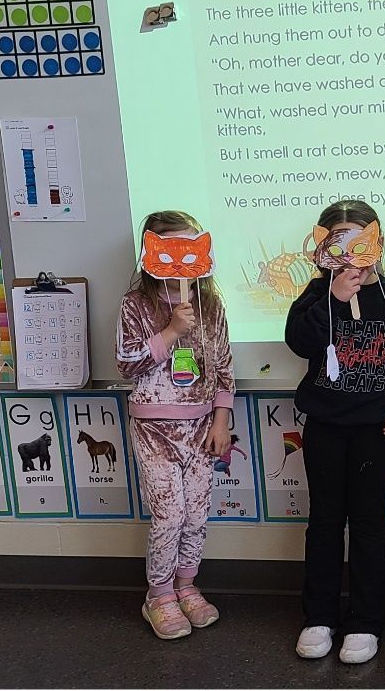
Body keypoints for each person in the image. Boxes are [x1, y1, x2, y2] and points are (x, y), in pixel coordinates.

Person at [285, 200, 385, 664]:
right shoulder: (314, 294)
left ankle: (365, 621)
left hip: (374, 430)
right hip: (325, 425)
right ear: (323, 246)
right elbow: (300, 342)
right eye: (336, 239)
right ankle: (319, 615)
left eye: (357, 238)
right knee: (324, 520)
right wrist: (334, 298)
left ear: (375, 243)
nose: (347, 250)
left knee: (366, 522)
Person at [116, 210, 234, 640]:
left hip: (201, 428)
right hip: (154, 429)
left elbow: (223, 368)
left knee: (196, 514)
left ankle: (186, 585)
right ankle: (158, 595)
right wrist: (169, 332)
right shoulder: (135, 305)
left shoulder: (211, 305)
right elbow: (126, 364)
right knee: (168, 515)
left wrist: (221, 419)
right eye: (171, 249)